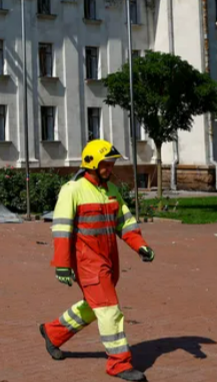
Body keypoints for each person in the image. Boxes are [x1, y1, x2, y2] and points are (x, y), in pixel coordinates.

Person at [39, 140, 154, 382]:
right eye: (106, 164)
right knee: (110, 310)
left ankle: (53, 332)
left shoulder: (110, 190)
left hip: (109, 261)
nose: (110, 168)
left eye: (111, 164)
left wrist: (140, 245)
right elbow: (61, 230)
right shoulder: (73, 190)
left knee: (94, 306)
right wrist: (62, 264)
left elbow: (125, 222)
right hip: (88, 263)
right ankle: (119, 363)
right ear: (91, 163)